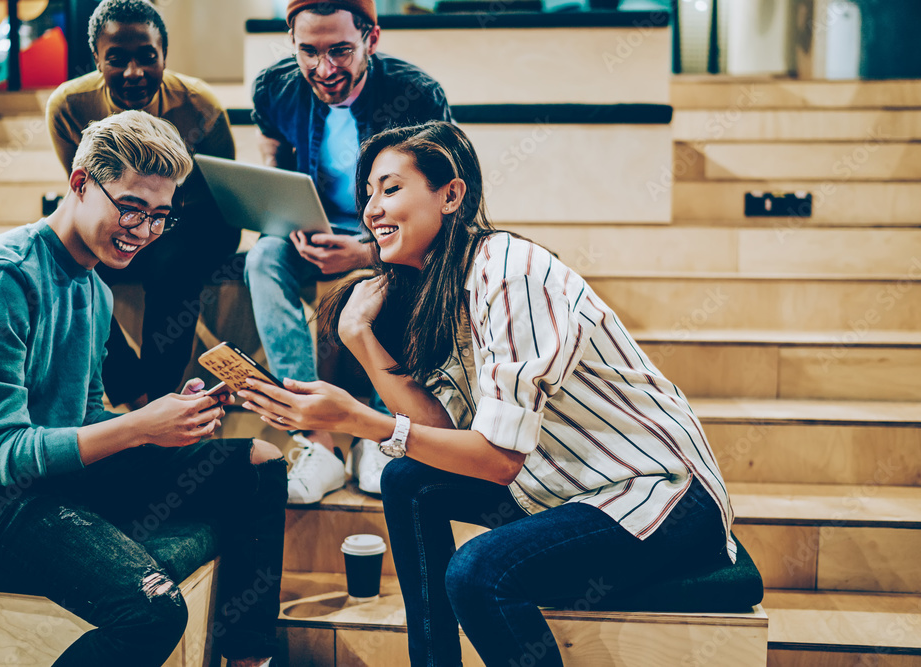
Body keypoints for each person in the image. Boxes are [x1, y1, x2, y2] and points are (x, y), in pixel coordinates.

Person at [238, 121, 738, 666]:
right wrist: (359, 339)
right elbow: (449, 439)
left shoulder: (508, 272)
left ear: (450, 194)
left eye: (390, 189)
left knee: (478, 572)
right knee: (406, 477)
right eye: (367, 196)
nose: (371, 211)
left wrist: (363, 420)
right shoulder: (426, 291)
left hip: (659, 494)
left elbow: (497, 461)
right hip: (566, 485)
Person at [0, 111, 285, 667]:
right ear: (79, 183)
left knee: (258, 463)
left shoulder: (94, 289)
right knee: (153, 609)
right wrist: (139, 427)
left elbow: (83, 413)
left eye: (160, 217)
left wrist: (168, 420)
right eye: (131, 207)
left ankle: (248, 660)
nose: (143, 231)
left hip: (45, 472)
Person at [245, 0, 453, 504]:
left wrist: (366, 253)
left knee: (405, 267)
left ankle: (382, 432)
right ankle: (314, 439)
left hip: (391, 232)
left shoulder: (416, 94)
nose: (324, 69)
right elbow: (271, 148)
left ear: (371, 40)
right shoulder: (275, 86)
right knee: (262, 258)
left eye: (340, 51)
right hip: (313, 224)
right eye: (308, 52)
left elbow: (441, 214)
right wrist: (282, 213)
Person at [46, 0, 241, 410]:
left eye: (147, 57)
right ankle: (135, 396)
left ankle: (161, 398)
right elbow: (89, 195)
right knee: (63, 260)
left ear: (164, 57)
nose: (133, 72)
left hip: (192, 219)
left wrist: (153, 222)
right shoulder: (68, 106)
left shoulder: (200, 106)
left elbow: (220, 200)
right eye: (116, 59)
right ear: (97, 59)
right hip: (119, 212)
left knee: (174, 263)